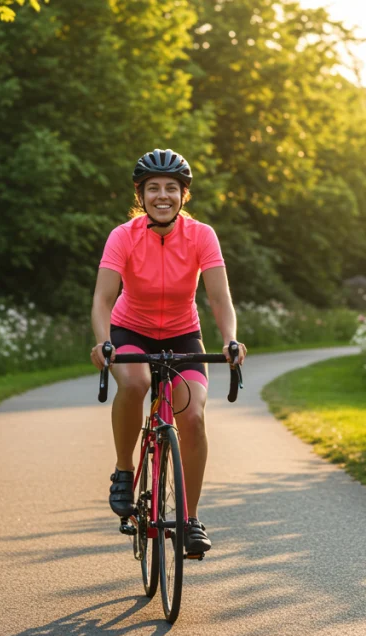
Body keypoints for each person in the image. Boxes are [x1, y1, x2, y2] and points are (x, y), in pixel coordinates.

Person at [89, 148, 247, 555]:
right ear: (141, 195)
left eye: (172, 188)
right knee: (137, 380)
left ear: (183, 195)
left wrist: (230, 339)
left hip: (182, 335)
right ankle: (125, 469)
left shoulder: (202, 236)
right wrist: (104, 341)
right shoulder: (123, 236)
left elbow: (218, 298)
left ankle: (190, 517)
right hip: (131, 330)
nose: (163, 195)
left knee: (192, 417)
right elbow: (104, 299)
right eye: (154, 188)